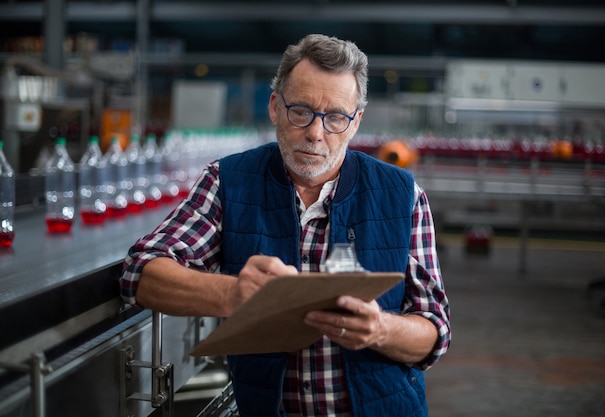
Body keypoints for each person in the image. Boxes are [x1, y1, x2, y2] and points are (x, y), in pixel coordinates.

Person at [120, 33, 450, 417]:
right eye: (301, 111)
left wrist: (379, 329)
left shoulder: (404, 196)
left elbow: (434, 332)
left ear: (356, 123)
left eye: (336, 118)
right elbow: (141, 272)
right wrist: (236, 295)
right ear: (275, 107)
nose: (315, 132)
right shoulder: (229, 182)